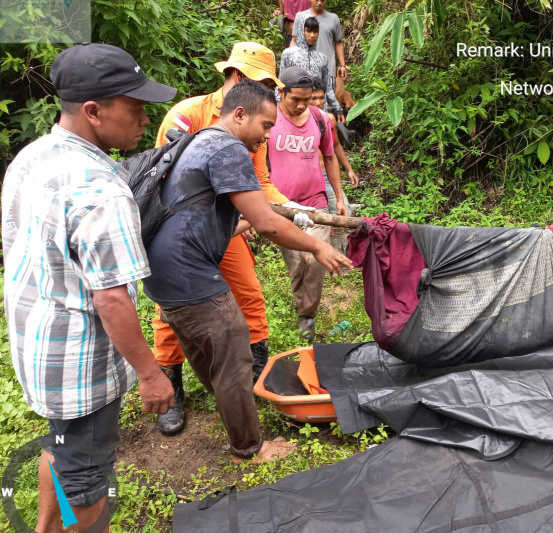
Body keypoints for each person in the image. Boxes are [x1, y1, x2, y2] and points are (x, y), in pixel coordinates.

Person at [2, 43, 176, 532]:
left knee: (61, 448)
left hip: (37, 347)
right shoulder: (101, 188)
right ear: (95, 112)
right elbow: (111, 297)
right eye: (136, 109)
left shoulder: (34, 156)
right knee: (86, 482)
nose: (145, 120)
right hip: (79, 364)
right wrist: (150, 373)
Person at [142, 79, 352, 464]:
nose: (268, 136)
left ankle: (231, 407)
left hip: (160, 275)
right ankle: (249, 448)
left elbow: (216, 218)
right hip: (190, 272)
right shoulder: (227, 147)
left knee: (209, 353)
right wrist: (318, 244)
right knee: (233, 346)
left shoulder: (199, 141)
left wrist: (272, 218)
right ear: (239, 115)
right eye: (266, 126)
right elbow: (267, 224)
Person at [152, 42, 306, 437]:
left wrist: (289, 206)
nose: (267, 92)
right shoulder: (186, 115)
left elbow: (260, 182)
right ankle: (171, 386)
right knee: (170, 312)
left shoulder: (256, 122)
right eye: (259, 82)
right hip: (180, 234)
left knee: (250, 295)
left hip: (227, 225)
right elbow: (163, 181)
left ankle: (252, 376)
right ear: (235, 77)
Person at [268, 67, 346, 340]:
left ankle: (306, 316)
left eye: (308, 98)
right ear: (281, 92)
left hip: (315, 202)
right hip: (281, 207)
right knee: (297, 261)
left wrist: (339, 197)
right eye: (296, 99)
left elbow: (330, 157)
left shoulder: (321, 120)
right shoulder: (267, 118)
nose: (302, 105)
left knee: (314, 258)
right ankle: (303, 304)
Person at [291, 0, 347, 121]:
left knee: (325, 103)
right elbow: (294, 40)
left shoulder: (333, 19)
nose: (319, 3)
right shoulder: (301, 16)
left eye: (322, 0)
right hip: (304, 70)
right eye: (317, 0)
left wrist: (342, 65)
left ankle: (325, 130)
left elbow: (338, 42)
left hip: (327, 70)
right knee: (304, 101)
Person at [280, 16, 344, 120]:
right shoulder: (289, 54)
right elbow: (281, 83)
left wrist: (337, 108)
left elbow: (327, 87)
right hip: (297, 107)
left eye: (315, 32)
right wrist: (279, 106)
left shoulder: (322, 57)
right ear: (301, 31)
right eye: (308, 31)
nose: (312, 35)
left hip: (319, 108)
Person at [310, 76, 357, 215]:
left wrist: (349, 169)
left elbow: (335, 145)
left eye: (321, 97)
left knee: (344, 214)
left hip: (326, 175)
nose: (318, 103)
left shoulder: (328, 119)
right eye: (313, 98)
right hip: (307, 178)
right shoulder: (294, 122)